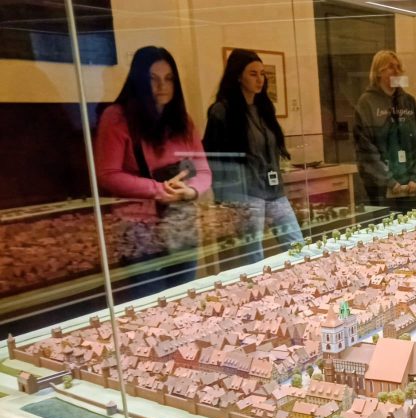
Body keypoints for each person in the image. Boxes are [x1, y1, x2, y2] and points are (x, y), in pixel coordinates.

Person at [94, 45, 210, 297]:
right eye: (153, 79)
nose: (162, 86)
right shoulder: (117, 117)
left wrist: (190, 191)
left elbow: (203, 170)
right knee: (151, 300)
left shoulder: (182, 120)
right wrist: (158, 190)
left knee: (184, 296)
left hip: (180, 219)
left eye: (169, 79)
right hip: (138, 225)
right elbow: (107, 174)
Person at [204, 48, 302, 266]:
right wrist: (224, 201)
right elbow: (215, 159)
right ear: (238, 76)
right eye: (253, 74)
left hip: (274, 191)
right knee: (254, 259)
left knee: (298, 247)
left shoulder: (264, 108)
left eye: (262, 74)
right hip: (245, 195)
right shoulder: (222, 111)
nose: (260, 79)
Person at [354, 50, 416, 214]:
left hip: (410, 187)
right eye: (390, 67)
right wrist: (389, 181)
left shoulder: (409, 102)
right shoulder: (367, 103)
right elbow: (366, 150)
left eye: (398, 67)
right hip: (381, 188)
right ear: (378, 72)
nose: (396, 71)